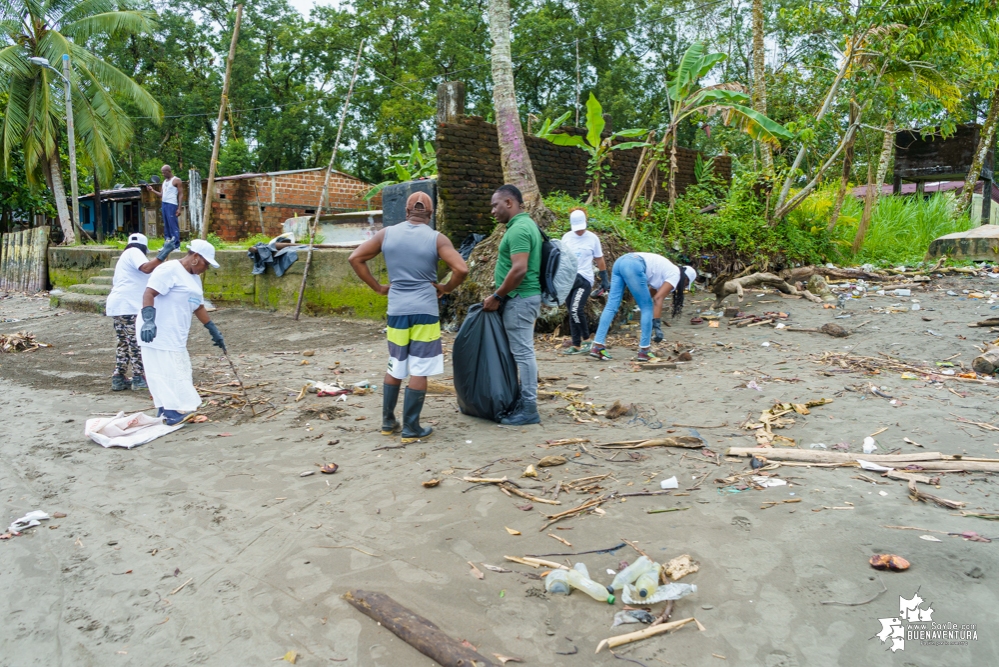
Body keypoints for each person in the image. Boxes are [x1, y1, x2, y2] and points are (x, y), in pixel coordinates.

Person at [349, 192, 468, 443]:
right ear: (431, 213)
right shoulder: (437, 239)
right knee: (419, 370)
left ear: (406, 211)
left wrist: (378, 287)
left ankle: (388, 422)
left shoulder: (387, 234)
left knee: (396, 363)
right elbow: (461, 269)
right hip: (424, 309)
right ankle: (411, 428)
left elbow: (355, 258)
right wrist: (445, 288)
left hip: (397, 310)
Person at [138, 239, 225, 425]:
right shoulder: (168, 269)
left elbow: (197, 305)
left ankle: (164, 409)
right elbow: (149, 293)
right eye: (206, 264)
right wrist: (148, 321)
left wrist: (212, 329)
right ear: (195, 257)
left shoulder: (194, 279)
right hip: (156, 329)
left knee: (178, 368)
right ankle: (170, 412)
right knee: (165, 369)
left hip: (176, 332)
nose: (206, 269)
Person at [483, 184, 543, 426]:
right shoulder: (524, 225)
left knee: (523, 354)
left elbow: (519, 269)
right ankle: (522, 402)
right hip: (521, 298)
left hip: (519, 299)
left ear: (509, 203)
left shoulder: (519, 230)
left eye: (495, 205)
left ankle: (529, 408)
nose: (492, 211)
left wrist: (497, 296)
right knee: (521, 353)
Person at [589, 253, 696, 362]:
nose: (684, 287)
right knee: (647, 307)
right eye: (686, 284)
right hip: (634, 265)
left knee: (611, 306)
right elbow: (658, 299)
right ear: (686, 278)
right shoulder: (675, 275)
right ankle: (644, 350)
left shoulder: (667, 270)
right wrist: (657, 325)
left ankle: (598, 346)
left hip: (621, 262)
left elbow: (651, 293)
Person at [105, 233, 177, 391]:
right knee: (137, 342)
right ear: (144, 248)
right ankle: (138, 377)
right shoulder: (133, 252)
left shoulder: (127, 257)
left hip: (119, 305)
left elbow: (152, 271)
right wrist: (163, 253)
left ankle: (119, 377)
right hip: (128, 306)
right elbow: (146, 268)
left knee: (124, 342)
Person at [560, 208, 609, 355]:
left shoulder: (592, 238)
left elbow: (599, 259)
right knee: (571, 311)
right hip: (569, 279)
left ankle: (587, 340)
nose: (579, 231)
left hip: (584, 279)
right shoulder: (566, 238)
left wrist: (604, 279)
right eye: (577, 229)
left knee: (576, 309)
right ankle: (576, 344)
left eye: (581, 228)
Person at [145, 165, 184, 245]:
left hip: (172, 204)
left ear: (169, 171)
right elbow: (161, 195)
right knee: (166, 225)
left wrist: (179, 208)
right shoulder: (164, 182)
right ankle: (167, 245)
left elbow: (181, 194)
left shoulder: (176, 180)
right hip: (164, 204)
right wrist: (152, 190)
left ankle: (176, 246)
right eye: (162, 173)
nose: (163, 174)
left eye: (164, 172)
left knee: (173, 224)